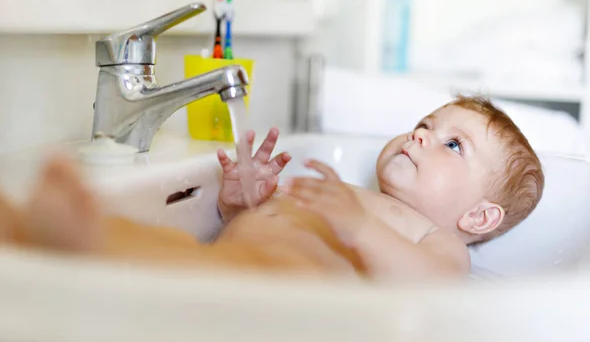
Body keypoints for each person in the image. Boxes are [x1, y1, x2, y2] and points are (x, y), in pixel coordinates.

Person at [0, 95, 544, 282]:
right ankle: (33, 232)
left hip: (288, 293)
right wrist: (239, 202)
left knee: (178, 270)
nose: (422, 134)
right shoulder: (342, 191)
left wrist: (356, 229)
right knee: (163, 251)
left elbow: (432, 287)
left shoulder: (436, 240)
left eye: (453, 145)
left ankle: (64, 238)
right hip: (236, 263)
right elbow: (242, 227)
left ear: (478, 218)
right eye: (425, 123)